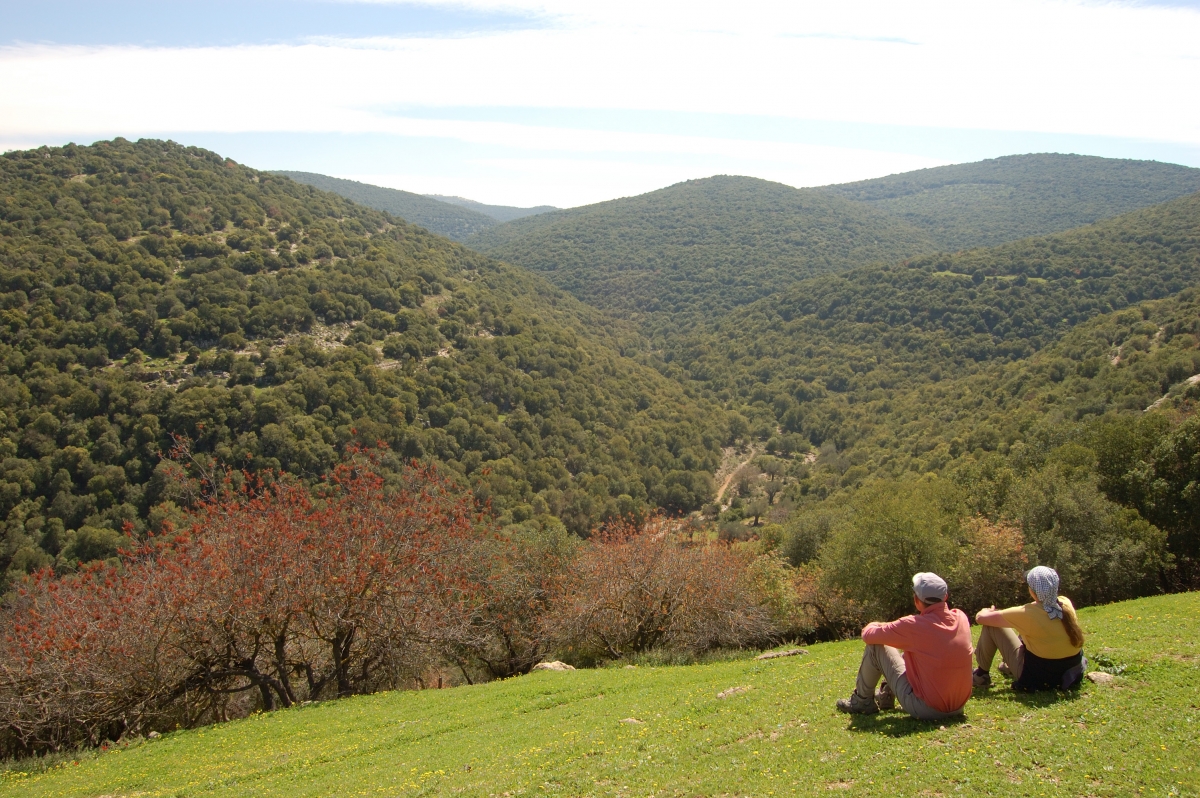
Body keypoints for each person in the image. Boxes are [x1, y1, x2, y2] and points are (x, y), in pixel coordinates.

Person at [836, 572, 973, 720]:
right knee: (912, 654)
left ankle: (861, 702)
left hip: (926, 708)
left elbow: (868, 635)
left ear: (916, 600)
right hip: (958, 707)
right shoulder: (960, 617)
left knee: (876, 647)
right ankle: (886, 694)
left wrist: (877, 624)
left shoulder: (913, 626)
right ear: (945, 597)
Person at [973, 565, 1086, 691]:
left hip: (1040, 678)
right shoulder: (1065, 603)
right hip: (1069, 673)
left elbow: (981, 618)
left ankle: (981, 675)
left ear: (1032, 591)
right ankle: (1008, 666)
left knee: (992, 626)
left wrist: (986, 610)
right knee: (1030, 633)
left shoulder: (1027, 613)